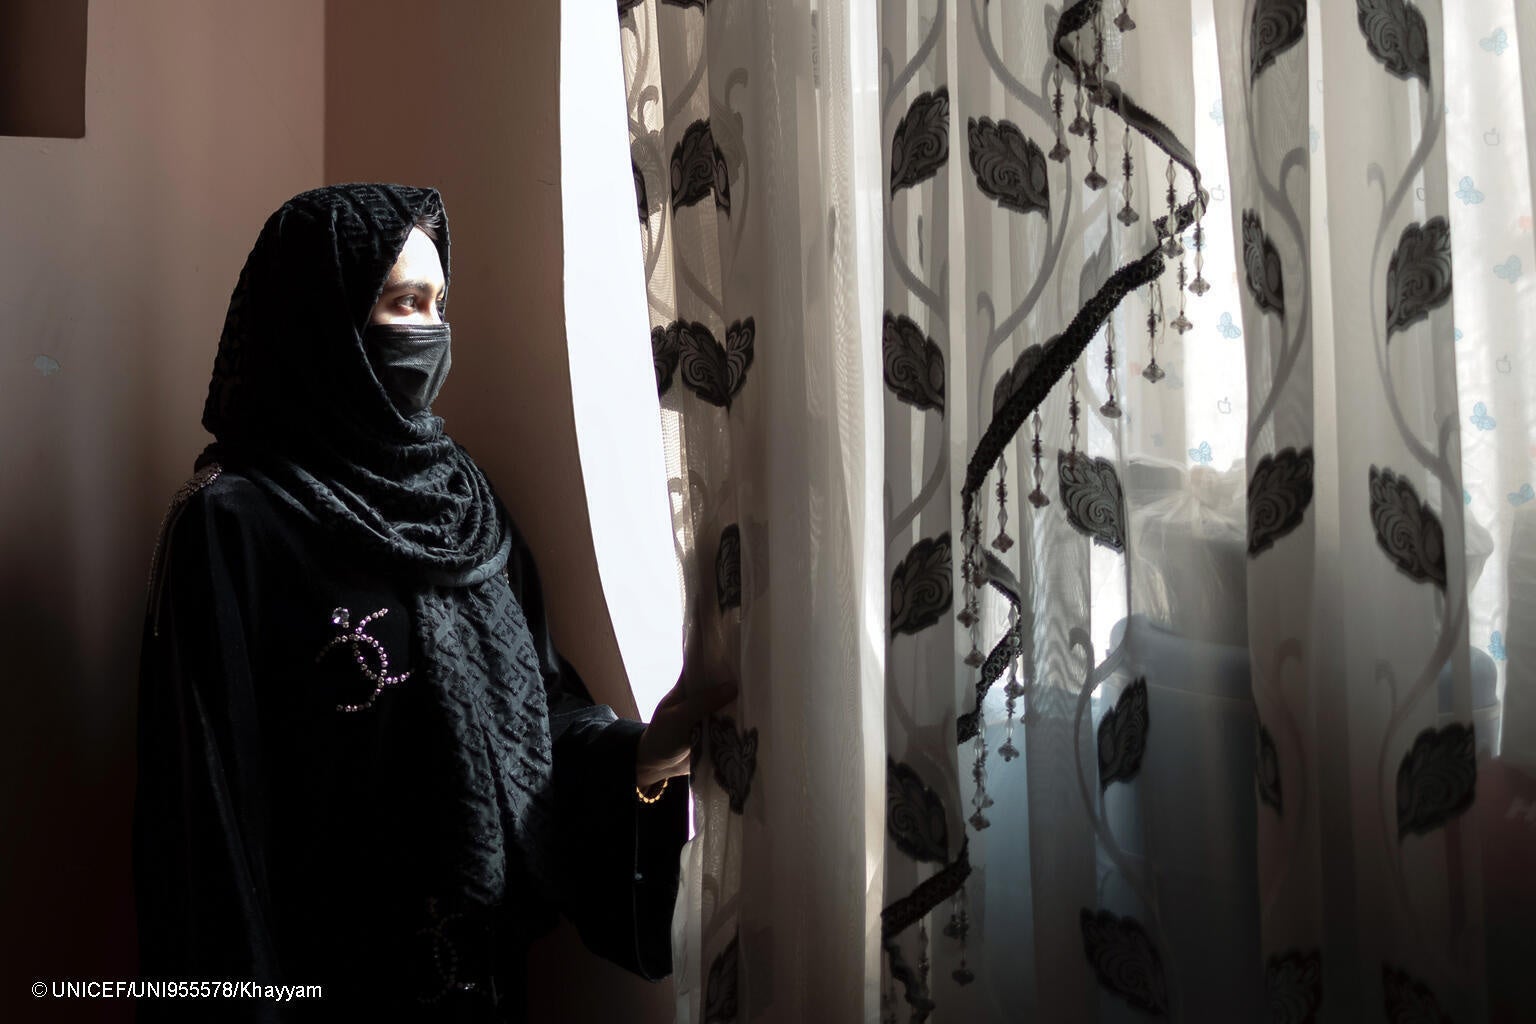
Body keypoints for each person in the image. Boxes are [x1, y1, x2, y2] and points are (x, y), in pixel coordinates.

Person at [133, 183, 729, 1021]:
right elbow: (207, 818)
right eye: (402, 302)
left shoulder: (460, 503)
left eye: (438, 303)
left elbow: (537, 712)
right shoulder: (232, 524)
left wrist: (640, 756)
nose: (429, 330)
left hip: (480, 986)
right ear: (323, 318)